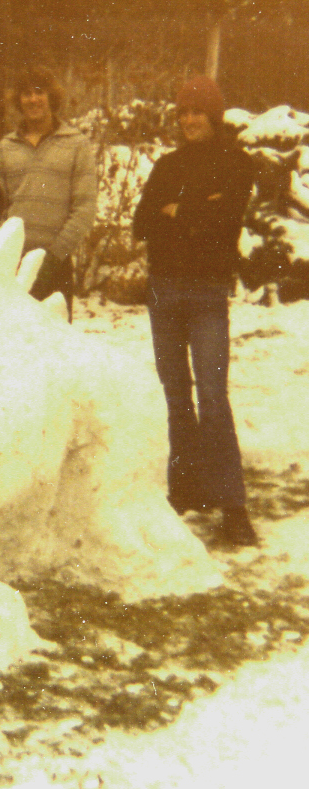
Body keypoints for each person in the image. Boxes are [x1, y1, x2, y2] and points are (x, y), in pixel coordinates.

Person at [132, 75, 257, 546]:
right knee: (176, 393)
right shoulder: (166, 164)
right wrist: (193, 212)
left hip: (207, 294)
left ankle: (233, 506)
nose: (188, 121)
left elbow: (224, 222)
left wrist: (177, 212)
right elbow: (141, 222)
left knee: (212, 392)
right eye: (182, 113)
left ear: (214, 115)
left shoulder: (236, 164)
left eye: (197, 112)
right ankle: (185, 490)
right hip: (164, 291)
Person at [0, 65, 97, 319]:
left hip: (55, 266)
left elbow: (85, 209)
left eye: (39, 92)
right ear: (19, 100)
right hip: (12, 266)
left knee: (55, 350)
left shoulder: (76, 144)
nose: (33, 99)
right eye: (26, 93)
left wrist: (54, 256)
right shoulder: (6, 147)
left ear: (51, 96)